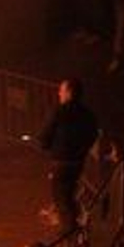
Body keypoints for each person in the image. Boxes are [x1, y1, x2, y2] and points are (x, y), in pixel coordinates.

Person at [37, 78, 101, 232]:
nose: (59, 93)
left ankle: (70, 235)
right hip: (77, 162)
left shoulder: (59, 111)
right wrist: (82, 149)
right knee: (69, 196)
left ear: (69, 93)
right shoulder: (87, 114)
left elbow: (45, 135)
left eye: (61, 90)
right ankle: (76, 229)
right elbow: (93, 134)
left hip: (61, 163)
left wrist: (47, 146)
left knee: (62, 201)